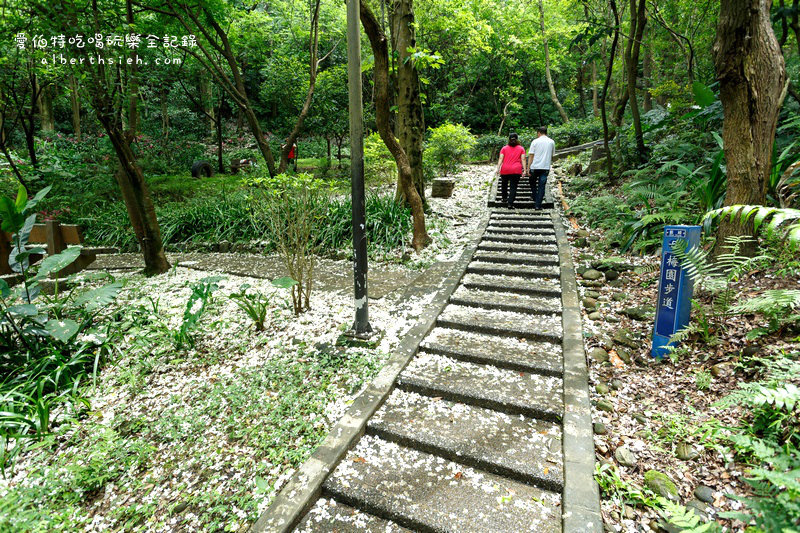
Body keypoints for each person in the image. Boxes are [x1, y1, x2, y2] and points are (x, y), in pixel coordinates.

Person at [527, 126, 556, 210]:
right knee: (541, 186)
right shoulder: (551, 142)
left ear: (538, 133)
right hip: (545, 167)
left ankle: (535, 198)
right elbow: (553, 155)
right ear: (546, 132)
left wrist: (528, 167)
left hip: (535, 167)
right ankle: (538, 205)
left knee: (532, 182)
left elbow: (531, 155)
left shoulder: (535, 142)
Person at [495, 132, 527, 209]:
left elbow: (500, 158)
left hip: (505, 169)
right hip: (516, 170)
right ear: (517, 139)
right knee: (513, 187)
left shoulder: (504, 148)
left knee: (504, 184)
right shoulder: (521, 148)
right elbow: (523, 159)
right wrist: (525, 170)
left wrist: (498, 168)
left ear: (509, 139)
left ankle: (504, 198)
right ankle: (510, 203)